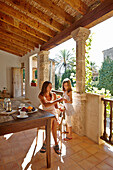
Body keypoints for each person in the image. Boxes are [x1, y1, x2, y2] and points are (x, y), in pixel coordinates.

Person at [38, 81, 63, 154]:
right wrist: (57, 100)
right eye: (49, 86)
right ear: (45, 87)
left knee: (53, 120)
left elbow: (55, 106)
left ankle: (45, 143)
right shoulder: (41, 95)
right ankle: (56, 144)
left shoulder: (54, 94)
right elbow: (46, 105)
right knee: (52, 120)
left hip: (53, 113)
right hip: (45, 114)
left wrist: (59, 107)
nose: (51, 88)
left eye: (51, 86)